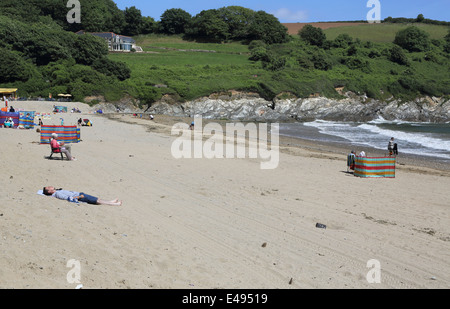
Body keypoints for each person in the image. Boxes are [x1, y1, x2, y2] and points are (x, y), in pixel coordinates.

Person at [42, 186, 122, 206]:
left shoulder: (57, 191)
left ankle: (110, 201)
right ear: (49, 191)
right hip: (80, 196)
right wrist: (79, 197)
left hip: (80, 194)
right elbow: (68, 198)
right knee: (97, 201)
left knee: (97, 199)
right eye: (49, 187)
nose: (51, 186)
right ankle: (114, 204)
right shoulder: (57, 193)